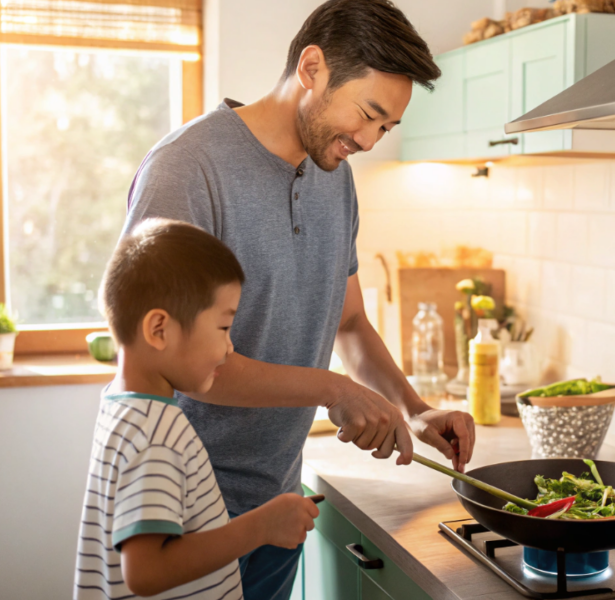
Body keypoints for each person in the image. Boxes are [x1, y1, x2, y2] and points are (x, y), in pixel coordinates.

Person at [123, 1, 477, 597]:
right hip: (183, 517)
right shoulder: (186, 170)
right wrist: (333, 389)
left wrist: (413, 409)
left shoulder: (334, 179)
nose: (368, 140)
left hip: (276, 509)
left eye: (386, 128)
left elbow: (352, 321)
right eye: (367, 114)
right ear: (311, 67)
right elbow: (174, 362)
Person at [74, 219, 319, 600]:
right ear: (159, 329)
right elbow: (146, 571)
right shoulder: (157, 437)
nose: (230, 347)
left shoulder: (121, 405)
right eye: (223, 328)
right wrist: (261, 526)